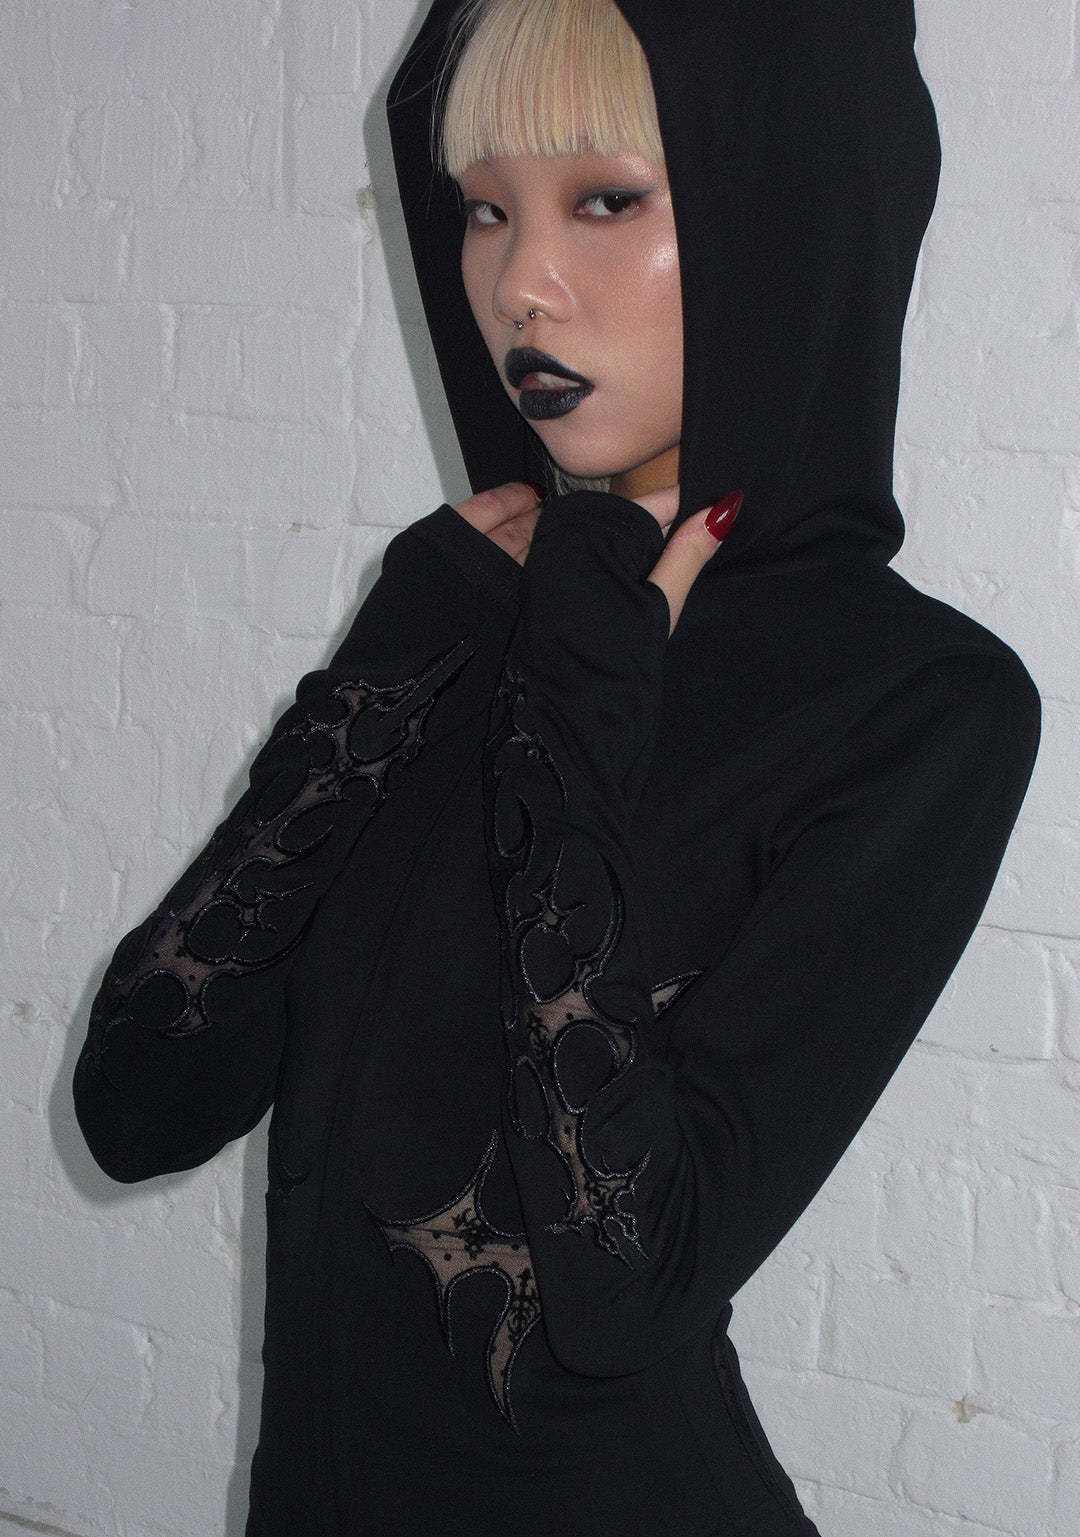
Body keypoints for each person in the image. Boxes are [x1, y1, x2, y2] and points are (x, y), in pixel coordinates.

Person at [72, 0, 1042, 1532]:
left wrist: (582, 692)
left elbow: (623, 1279)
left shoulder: (915, 706)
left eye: (605, 199)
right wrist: (381, 673)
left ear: (787, 216)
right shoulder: (463, 611)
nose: (518, 281)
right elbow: (140, 1106)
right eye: (483, 209)